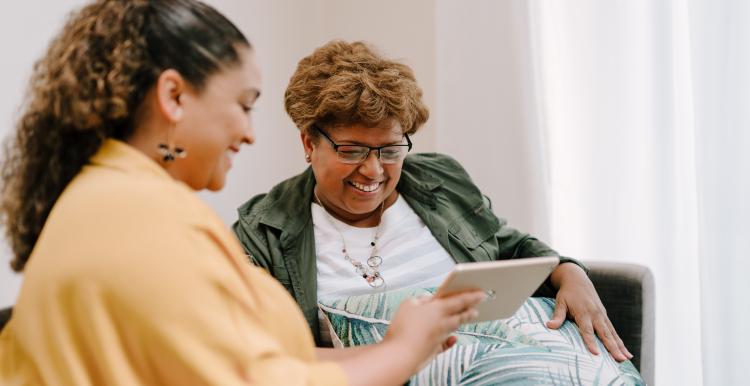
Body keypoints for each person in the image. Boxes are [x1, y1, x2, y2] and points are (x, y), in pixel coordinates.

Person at [0, 2, 485, 385]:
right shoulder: (144, 217)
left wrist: (394, 345)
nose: (249, 134)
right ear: (173, 96)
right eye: (243, 105)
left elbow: (243, 354)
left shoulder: (110, 197)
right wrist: (403, 352)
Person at [233, 40, 635, 366]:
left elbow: (512, 248)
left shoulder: (439, 180)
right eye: (352, 150)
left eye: (390, 150)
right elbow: (262, 357)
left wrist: (570, 273)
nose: (373, 171)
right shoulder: (264, 232)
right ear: (309, 143)